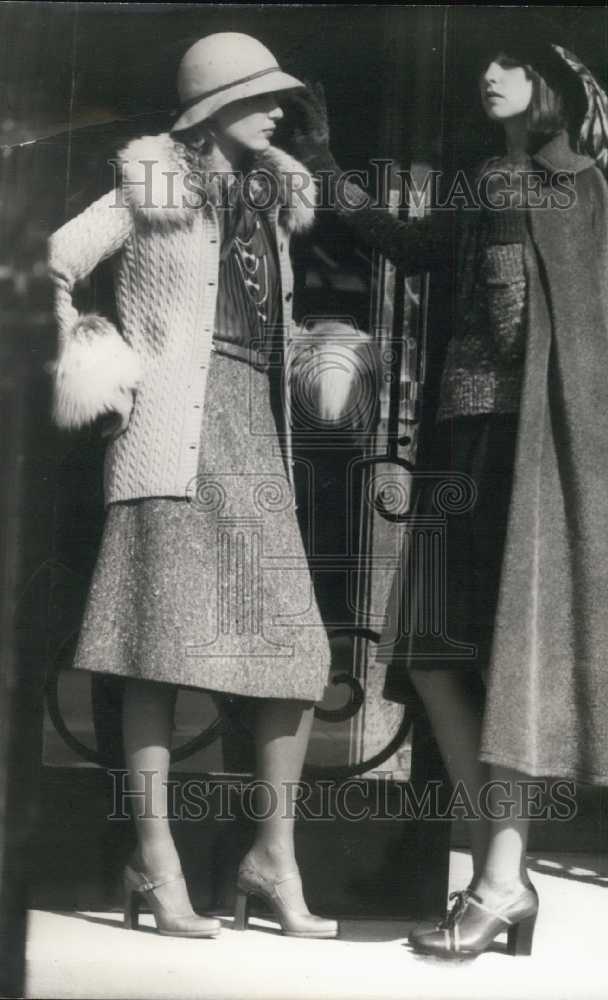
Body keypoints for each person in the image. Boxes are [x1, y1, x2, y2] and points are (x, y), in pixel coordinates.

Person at [287, 33, 608, 958]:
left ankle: (497, 880)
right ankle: (507, 877)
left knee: (507, 665)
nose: (486, 74)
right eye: (481, 63)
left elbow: (584, 358)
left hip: (524, 454)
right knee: (438, 658)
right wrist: (328, 168)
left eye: (508, 64)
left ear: (548, 86)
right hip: (461, 445)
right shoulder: (489, 183)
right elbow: (408, 245)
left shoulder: (576, 189)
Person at [47, 33, 340, 939]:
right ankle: (156, 859)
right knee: (157, 651)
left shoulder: (271, 202)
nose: (280, 109)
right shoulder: (149, 187)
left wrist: (324, 355)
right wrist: (97, 359)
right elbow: (50, 263)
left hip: (253, 436)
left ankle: (272, 860)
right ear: (211, 108)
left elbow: (270, 331)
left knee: (295, 656)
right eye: (261, 95)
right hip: (168, 438)